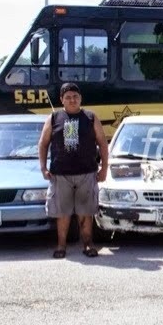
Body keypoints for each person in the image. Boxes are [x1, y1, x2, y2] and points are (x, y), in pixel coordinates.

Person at [38, 82, 109, 258]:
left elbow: (102, 143)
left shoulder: (91, 117)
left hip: (87, 173)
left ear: (80, 99)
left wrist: (104, 168)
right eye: (68, 97)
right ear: (62, 99)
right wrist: (43, 168)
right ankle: (61, 246)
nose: (72, 100)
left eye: (75, 97)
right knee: (62, 214)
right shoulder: (54, 118)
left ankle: (88, 245)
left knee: (86, 212)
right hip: (60, 174)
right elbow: (43, 144)